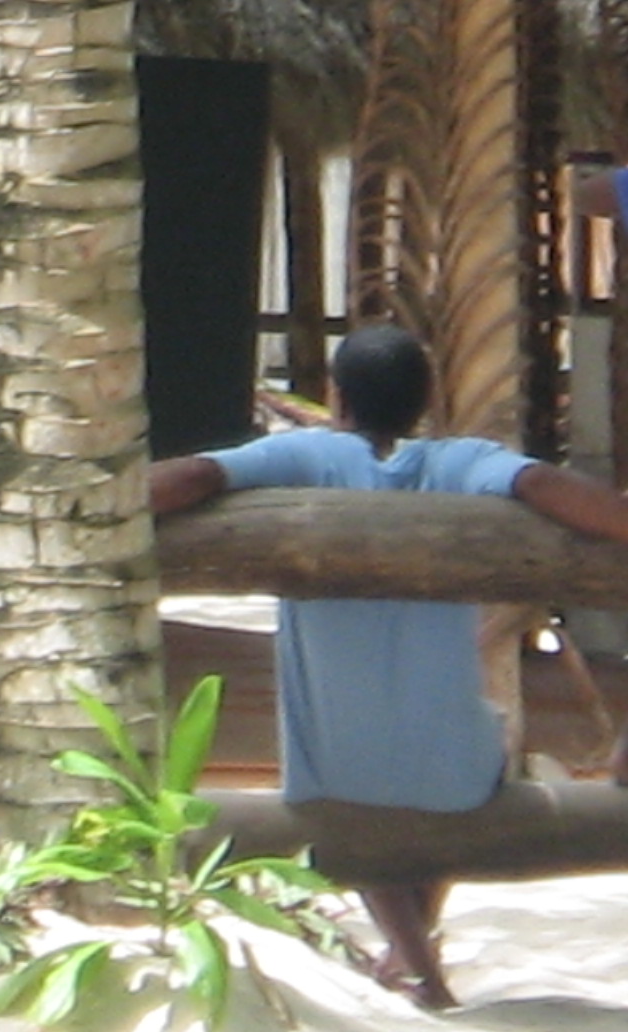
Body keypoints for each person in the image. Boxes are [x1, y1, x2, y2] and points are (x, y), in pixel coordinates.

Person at [151, 322, 628, 1008]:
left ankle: (416, 963)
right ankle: (417, 957)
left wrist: (83, 506)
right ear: (426, 399)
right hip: (454, 777)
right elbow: (549, 487)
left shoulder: (305, 455)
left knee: (355, 793)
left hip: (333, 776)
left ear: (337, 397)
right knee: (474, 745)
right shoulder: (460, 463)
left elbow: (195, 477)